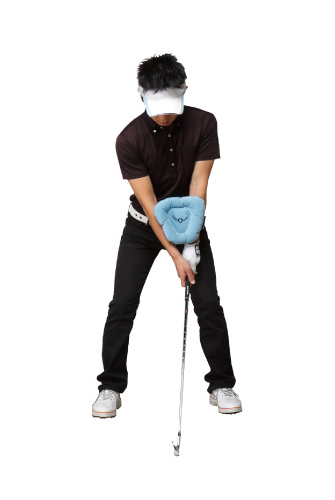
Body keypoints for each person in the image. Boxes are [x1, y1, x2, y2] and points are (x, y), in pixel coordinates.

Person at [93, 53, 241, 418]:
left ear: (184, 91)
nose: (164, 117)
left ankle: (222, 384)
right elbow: (149, 203)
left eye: (171, 108)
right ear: (141, 94)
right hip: (142, 227)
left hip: (190, 224)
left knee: (208, 302)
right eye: (157, 108)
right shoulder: (128, 139)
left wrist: (190, 242)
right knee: (122, 304)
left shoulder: (204, 123)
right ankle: (110, 387)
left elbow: (198, 185)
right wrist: (175, 255)